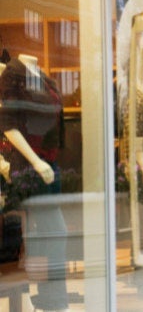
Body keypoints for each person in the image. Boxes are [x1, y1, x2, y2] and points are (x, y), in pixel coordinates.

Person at [0, 54, 68, 311]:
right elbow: (8, 124)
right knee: (50, 232)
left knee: (47, 234)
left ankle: (49, 298)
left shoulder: (42, 77)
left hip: (49, 166)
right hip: (30, 167)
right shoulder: (13, 74)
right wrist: (35, 162)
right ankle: (51, 300)